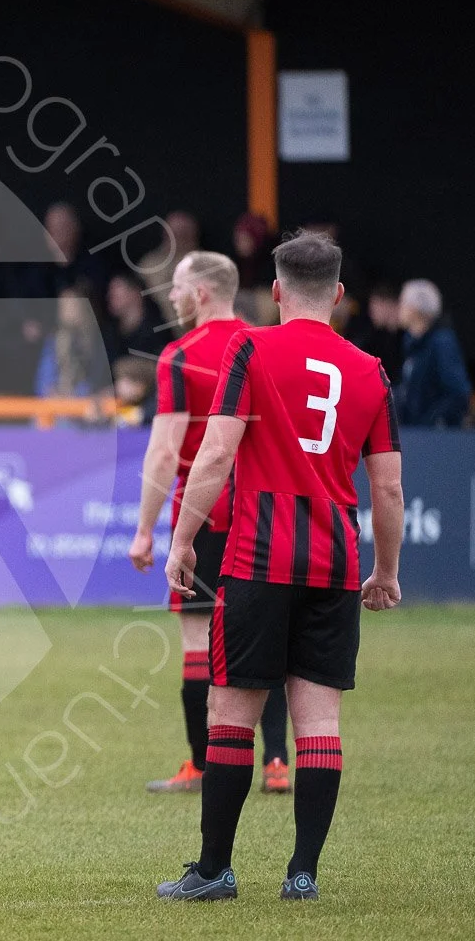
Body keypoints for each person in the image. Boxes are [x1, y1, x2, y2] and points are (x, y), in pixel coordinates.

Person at [157, 230, 403, 902]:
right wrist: (385, 570)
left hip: (259, 558)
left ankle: (213, 872)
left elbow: (214, 455)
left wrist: (182, 539)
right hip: (333, 563)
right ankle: (303, 874)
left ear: (274, 291)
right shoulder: (370, 371)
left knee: (232, 713)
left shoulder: (252, 347)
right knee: (318, 721)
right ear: (341, 296)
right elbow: (387, 488)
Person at [128, 252, 290, 797]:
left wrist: (145, 529)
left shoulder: (180, 355)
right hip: (265, 513)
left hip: (203, 520)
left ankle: (201, 766)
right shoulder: (266, 345)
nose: (170, 296)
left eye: (176, 286)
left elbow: (163, 452)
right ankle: (275, 763)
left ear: (199, 294)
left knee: (199, 642)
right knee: (267, 640)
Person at [396, 279, 470, 427]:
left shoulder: (442, 343)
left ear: (415, 309)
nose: (399, 308)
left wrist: (433, 422)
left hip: (436, 439)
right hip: (413, 434)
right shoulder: (412, 345)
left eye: (402, 303)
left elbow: (458, 393)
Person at [104, 271, 173, 364]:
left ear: (135, 293)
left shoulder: (158, 329)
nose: (110, 296)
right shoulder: (110, 335)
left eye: (116, 291)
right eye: (110, 291)